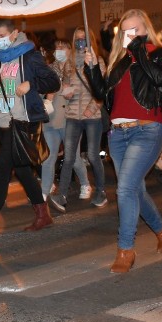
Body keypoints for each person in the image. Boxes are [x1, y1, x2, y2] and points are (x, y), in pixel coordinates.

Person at [84, 8, 162, 273]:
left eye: (135, 30)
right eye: (125, 31)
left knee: (124, 189)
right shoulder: (119, 61)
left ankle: (125, 249)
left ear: (146, 30)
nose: (129, 35)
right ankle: (161, 229)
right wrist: (91, 69)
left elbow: (159, 79)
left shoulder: (160, 55)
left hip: (146, 130)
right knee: (135, 189)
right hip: (118, 133)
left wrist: (139, 49)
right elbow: (102, 93)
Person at [0, 18, 60, 243]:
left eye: (2, 36)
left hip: (22, 122)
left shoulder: (29, 55)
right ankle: (43, 214)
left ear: (14, 34)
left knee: (1, 170)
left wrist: (31, 85)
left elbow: (53, 81)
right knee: (23, 170)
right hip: (3, 125)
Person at [48, 27, 108, 212]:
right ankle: (62, 194)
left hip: (92, 117)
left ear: (90, 40)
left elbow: (101, 90)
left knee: (92, 155)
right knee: (68, 156)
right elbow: (66, 85)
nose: (80, 42)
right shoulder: (70, 63)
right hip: (73, 115)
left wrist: (92, 108)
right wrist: (66, 91)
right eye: (77, 39)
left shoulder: (98, 61)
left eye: (83, 39)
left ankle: (101, 191)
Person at [40, 38, 92, 203]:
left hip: (71, 120)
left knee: (74, 157)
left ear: (70, 50)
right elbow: (42, 90)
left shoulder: (76, 69)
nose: (59, 50)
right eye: (57, 47)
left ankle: (85, 184)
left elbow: (80, 93)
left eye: (63, 47)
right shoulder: (48, 70)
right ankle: (45, 190)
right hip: (51, 120)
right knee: (48, 157)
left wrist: (61, 88)